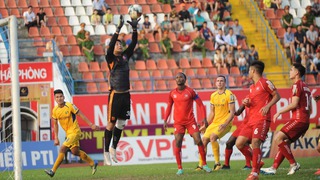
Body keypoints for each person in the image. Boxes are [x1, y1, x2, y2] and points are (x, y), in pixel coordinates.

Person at [260, 63, 311, 176]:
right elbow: (310, 108)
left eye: (291, 69)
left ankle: (293, 164)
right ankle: (273, 168)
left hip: (298, 119)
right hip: (304, 121)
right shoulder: (306, 86)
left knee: (278, 138)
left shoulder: (296, 85)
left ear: (297, 73)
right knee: (285, 143)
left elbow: (294, 104)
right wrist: (305, 126)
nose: (290, 71)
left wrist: (279, 112)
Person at [103, 15, 139, 166]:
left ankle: (113, 148)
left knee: (122, 123)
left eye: (120, 44)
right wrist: (118, 30)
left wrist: (135, 29)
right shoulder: (110, 58)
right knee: (111, 125)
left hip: (126, 95)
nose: (119, 45)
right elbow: (111, 46)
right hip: (115, 95)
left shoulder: (125, 57)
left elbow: (134, 43)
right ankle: (106, 153)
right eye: (117, 44)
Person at [235, 60, 280, 180]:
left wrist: (268, 106)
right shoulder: (252, 87)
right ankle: (258, 162)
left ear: (253, 71)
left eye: (249, 70)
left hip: (262, 119)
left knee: (255, 143)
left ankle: (254, 173)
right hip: (251, 120)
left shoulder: (265, 82)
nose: (248, 72)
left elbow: (277, 95)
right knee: (239, 143)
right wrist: (247, 103)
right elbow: (251, 103)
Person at [164, 72, 212, 175]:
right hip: (178, 123)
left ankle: (204, 164)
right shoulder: (172, 93)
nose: (178, 79)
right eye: (177, 77)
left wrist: (204, 118)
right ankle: (180, 168)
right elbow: (169, 107)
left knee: (199, 140)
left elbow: (201, 105)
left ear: (185, 79)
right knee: (178, 143)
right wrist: (165, 120)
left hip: (190, 121)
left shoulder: (190, 91)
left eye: (181, 77)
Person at [44, 89, 99, 177]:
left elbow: (81, 114)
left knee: (62, 149)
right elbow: (55, 124)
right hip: (68, 134)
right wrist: (56, 137)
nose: (59, 98)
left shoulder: (70, 106)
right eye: (57, 97)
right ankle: (93, 163)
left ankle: (52, 171)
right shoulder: (55, 110)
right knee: (75, 152)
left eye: (61, 96)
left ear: (64, 97)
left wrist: (91, 124)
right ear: (55, 98)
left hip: (75, 131)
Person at [196, 75, 235, 171]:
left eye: (221, 81)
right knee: (204, 140)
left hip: (226, 123)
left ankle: (217, 164)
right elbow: (212, 113)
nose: (219, 82)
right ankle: (201, 165)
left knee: (213, 137)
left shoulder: (229, 94)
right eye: (218, 81)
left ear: (225, 83)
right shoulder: (213, 95)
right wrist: (205, 126)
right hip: (215, 123)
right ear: (215, 83)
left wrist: (225, 124)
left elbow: (232, 112)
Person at [221, 105, 252, 170]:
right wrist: (233, 112)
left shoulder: (258, 99)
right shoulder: (247, 98)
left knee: (244, 143)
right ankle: (226, 165)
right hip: (243, 124)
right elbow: (238, 112)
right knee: (229, 143)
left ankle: (248, 165)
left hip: (251, 124)